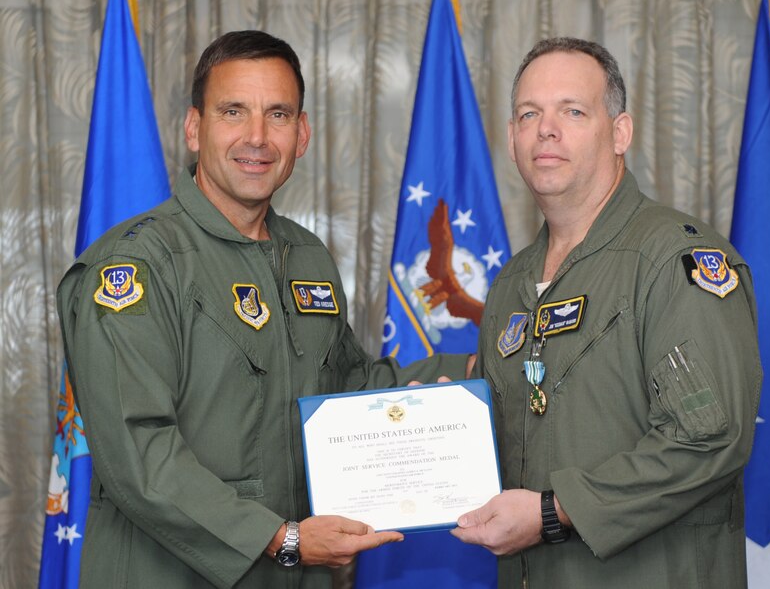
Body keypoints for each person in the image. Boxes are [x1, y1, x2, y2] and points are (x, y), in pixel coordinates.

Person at [56, 30, 467, 589]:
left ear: (302, 135)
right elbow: (140, 455)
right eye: (233, 111)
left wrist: (467, 378)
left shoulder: (307, 257)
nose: (257, 137)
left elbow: (349, 387)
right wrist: (284, 539)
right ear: (194, 128)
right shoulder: (136, 266)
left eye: (278, 115)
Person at [451, 37, 762, 588]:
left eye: (572, 111)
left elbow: (708, 440)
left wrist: (554, 511)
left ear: (620, 132)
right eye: (529, 113)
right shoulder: (512, 283)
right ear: (512, 137)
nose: (546, 128)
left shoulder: (673, 259)